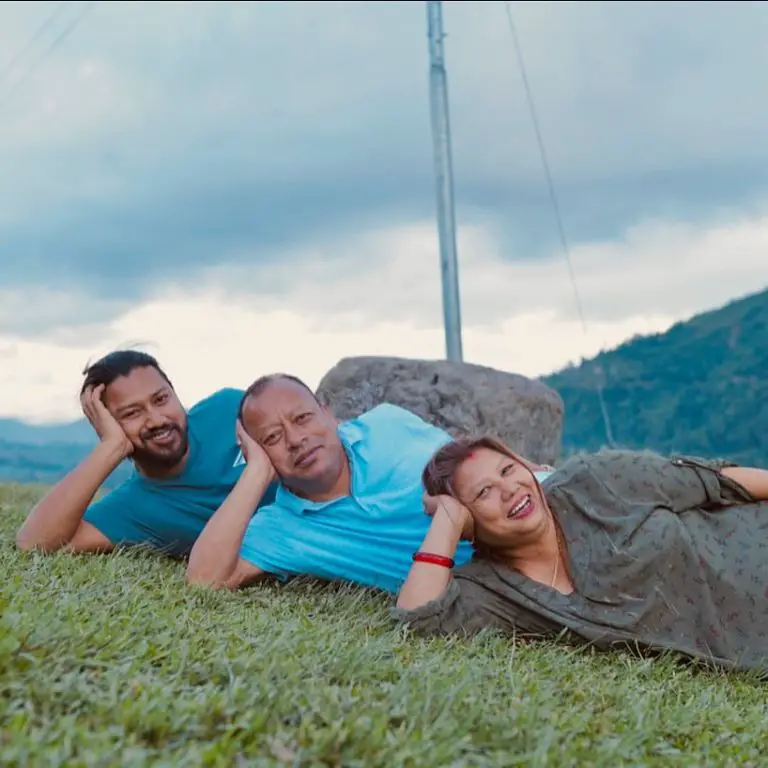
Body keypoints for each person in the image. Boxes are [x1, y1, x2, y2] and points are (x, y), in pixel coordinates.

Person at [394, 435, 768, 673]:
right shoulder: (495, 589)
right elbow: (418, 621)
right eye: (483, 493)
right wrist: (446, 517)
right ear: (467, 522)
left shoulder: (593, 480)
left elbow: (717, 481)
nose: (509, 489)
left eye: (509, 469)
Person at [186, 373, 554, 592]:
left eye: (303, 418)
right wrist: (255, 475)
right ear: (259, 454)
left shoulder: (386, 424)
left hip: (553, 498)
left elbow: (466, 458)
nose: (296, 439)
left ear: (328, 414)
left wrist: (524, 467)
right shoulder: (281, 528)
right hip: (523, 571)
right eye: (272, 438)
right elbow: (203, 581)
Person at [16, 350, 276, 557]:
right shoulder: (132, 508)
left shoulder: (231, 408)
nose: (156, 420)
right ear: (108, 425)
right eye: (132, 413)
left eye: (161, 399)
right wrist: (111, 447)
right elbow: (35, 544)